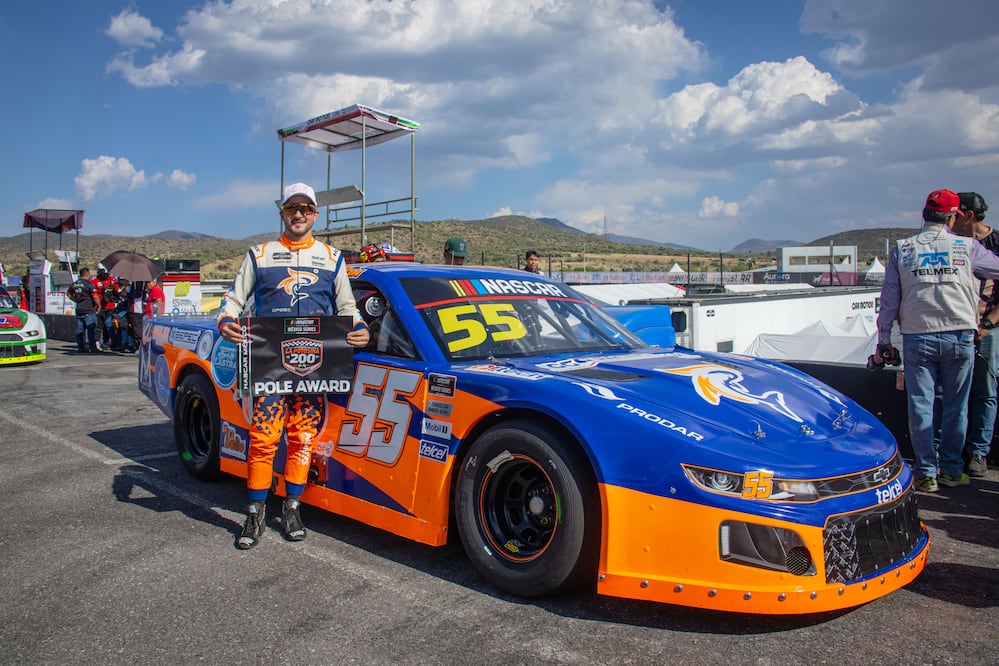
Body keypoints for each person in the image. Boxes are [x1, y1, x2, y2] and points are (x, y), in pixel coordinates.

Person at [218, 182, 370, 549]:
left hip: (314, 368)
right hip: (269, 363)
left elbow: (347, 309)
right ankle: (255, 514)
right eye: (291, 208)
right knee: (264, 439)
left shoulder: (332, 258)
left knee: (303, 440)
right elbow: (232, 302)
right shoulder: (260, 254)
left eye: (305, 208)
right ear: (282, 213)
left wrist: (361, 327)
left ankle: (292, 508)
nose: (298, 214)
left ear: (315, 215)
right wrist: (226, 322)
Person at [875, 189, 999, 493]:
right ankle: (953, 470)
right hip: (960, 333)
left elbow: (889, 299)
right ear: (953, 216)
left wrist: (883, 340)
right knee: (957, 406)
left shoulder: (903, 249)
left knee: (920, 404)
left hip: (918, 334)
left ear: (924, 215)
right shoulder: (966, 247)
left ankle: (926, 472)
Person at [962, 192, 995, 478]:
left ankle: (978, 451)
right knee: (949, 393)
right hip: (957, 329)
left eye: (954, 216)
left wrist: (988, 324)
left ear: (968, 216)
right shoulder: (953, 244)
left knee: (985, 391)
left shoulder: (995, 244)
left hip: (988, 328)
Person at [69, 267, 100, 353]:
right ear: (87, 274)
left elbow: (68, 294)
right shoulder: (89, 284)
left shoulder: (74, 284)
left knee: (80, 330)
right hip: (89, 309)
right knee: (91, 329)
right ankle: (93, 348)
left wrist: (75, 299)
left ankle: (80, 347)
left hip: (79, 309)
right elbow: (95, 296)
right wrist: (99, 305)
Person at [91, 265, 119, 351]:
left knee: (109, 326)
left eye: (106, 274)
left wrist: (114, 297)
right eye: (103, 274)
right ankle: (97, 343)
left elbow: (116, 290)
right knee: (98, 326)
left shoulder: (112, 279)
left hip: (110, 307)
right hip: (99, 307)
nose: (105, 276)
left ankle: (112, 343)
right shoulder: (94, 281)